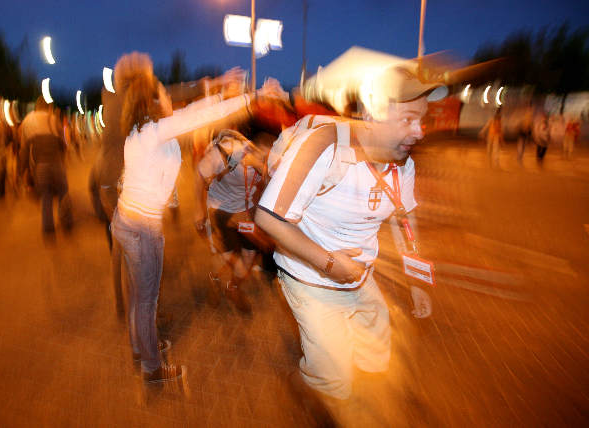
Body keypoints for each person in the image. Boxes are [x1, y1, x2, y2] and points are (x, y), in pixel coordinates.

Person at [255, 63, 443, 423]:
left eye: (422, 119)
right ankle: (313, 399)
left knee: (377, 354)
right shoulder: (323, 147)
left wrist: (418, 279)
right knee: (332, 377)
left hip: (361, 276)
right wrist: (329, 263)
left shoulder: (403, 162)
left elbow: (405, 216)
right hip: (311, 281)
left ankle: (368, 405)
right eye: (407, 119)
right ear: (373, 110)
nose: (419, 131)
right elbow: (268, 218)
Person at [109, 51, 282, 384]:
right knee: (146, 301)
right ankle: (153, 370)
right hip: (142, 227)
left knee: (139, 298)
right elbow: (199, 118)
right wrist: (253, 96)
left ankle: (141, 348)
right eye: (160, 90)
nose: (166, 93)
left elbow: (194, 112)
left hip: (128, 220)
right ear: (152, 101)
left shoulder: (142, 129)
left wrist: (220, 91)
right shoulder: (156, 131)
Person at [194, 129, 268, 313]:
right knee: (235, 260)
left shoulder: (268, 160)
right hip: (221, 209)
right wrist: (198, 210)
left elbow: (272, 181)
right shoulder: (223, 153)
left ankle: (230, 286)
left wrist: (260, 166)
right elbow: (200, 175)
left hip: (244, 209)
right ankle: (221, 280)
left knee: (248, 258)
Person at [19, 96, 73, 240]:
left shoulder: (27, 121)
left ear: (36, 107)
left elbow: (24, 150)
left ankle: (48, 230)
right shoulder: (52, 118)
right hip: (56, 163)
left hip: (40, 165)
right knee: (63, 191)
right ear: (47, 107)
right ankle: (66, 223)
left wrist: (21, 171)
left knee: (46, 196)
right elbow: (63, 144)